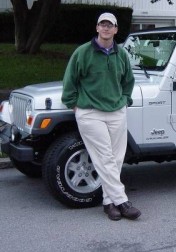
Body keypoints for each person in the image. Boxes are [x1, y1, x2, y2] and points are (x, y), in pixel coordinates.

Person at [61, 12, 141, 221]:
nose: (105, 28)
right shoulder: (83, 52)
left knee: (115, 159)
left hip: (116, 111)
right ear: (97, 28)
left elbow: (128, 81)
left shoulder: (121, 54)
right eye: (102, 24)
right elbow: (70, 80)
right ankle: (122, 201)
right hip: (90, 112)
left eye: (110, 25)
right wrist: (73, 104)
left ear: (116, 30)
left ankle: (108, 203)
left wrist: (125, 100)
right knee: (105, 156)